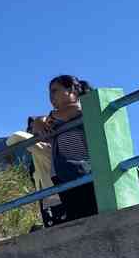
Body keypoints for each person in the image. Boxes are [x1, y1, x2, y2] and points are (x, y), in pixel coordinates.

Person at [30, 75, 98, 224]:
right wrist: (38, 121)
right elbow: (37, 131)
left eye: (55, 91)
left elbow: (73, 110)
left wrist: (42, 120)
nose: (50, 96)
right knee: (77, 216)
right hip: (63, 174)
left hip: (81, 170)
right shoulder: (56, 119)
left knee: (88, 214)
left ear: (72, 90)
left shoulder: (83, 108)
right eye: (49, 92)